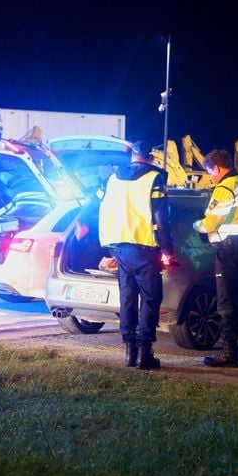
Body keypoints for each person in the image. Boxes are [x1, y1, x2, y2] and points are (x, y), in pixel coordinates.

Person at [98, 140, 174, 370]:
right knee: (150, 300)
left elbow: (101, 209)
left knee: (127, 299)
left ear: (132, 156)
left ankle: (129, 352)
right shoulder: (154, 178)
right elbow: (161, 217)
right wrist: (167, 249)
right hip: (145, 248)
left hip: (120, 247)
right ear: (149, 157)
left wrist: (108, 247)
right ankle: (144, 354)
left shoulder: (113, 179)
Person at [193, 149, 238, 368]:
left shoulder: (224, 188)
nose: (210, 176)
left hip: (229, 249)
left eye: (210, 171)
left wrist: (197, 226)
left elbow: (210, 223)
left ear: (218, 168)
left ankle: (228, 352)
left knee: (226, 301)